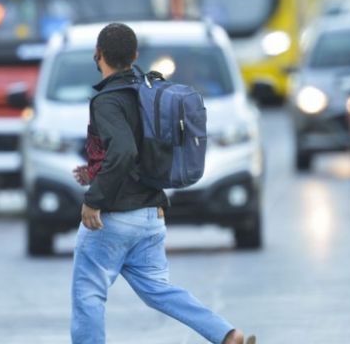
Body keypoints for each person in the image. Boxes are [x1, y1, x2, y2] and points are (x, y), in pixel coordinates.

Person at [70, 23, 254, 344]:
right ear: (135, 56)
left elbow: (124, 151)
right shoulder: (147, 93)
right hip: (150, 216)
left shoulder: (107, 101)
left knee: (89, 292)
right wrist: (92, 172)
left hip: (116, 217)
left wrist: (94, 199)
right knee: (160, 289)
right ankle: (225, 334)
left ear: (97, 55)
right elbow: (139, 152)